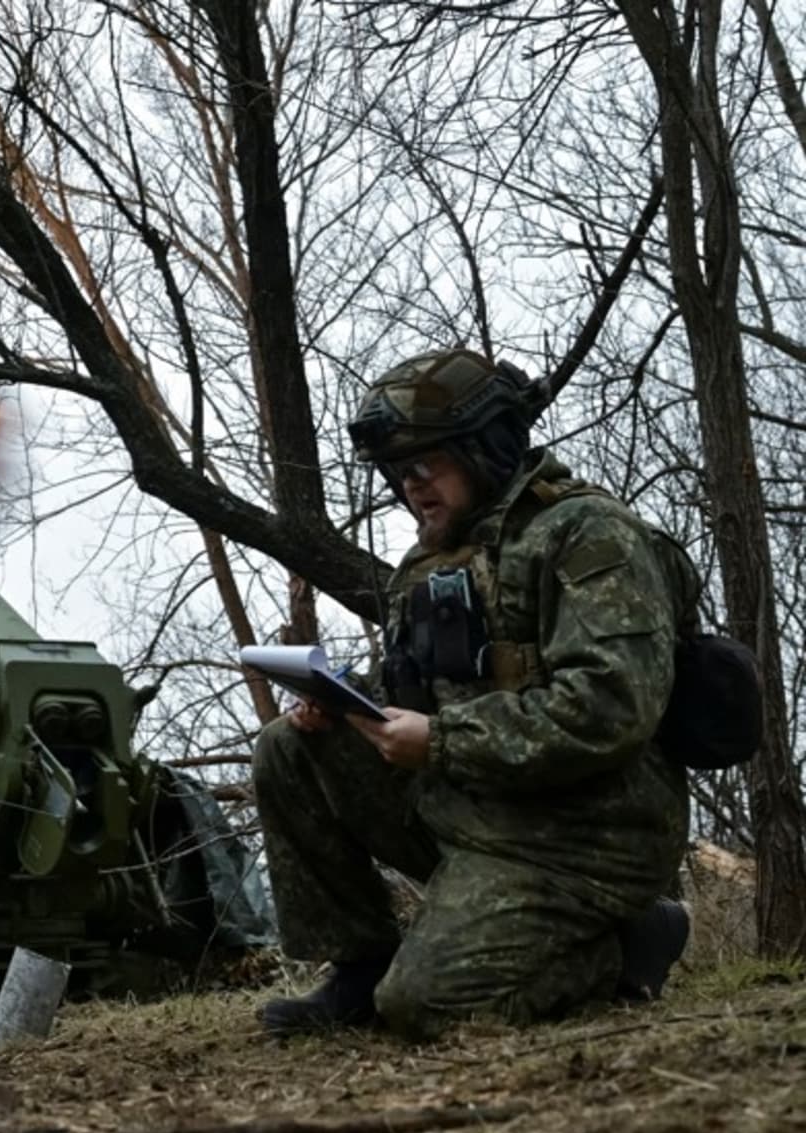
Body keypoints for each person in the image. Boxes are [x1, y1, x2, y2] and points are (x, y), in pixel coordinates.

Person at [254, 348, 693, 1041]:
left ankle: (627, 940)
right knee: (288, 748)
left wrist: (444, 740)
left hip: (583, 838)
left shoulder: (587, 534)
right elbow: (419, 689)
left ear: (482, 448)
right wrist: (344, 703)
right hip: (474, 805)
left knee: (427, 1004)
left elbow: (611, 706)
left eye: (425, 466)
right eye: (400, 473)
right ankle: (362, 966)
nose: (410, 487)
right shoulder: (433, 557)